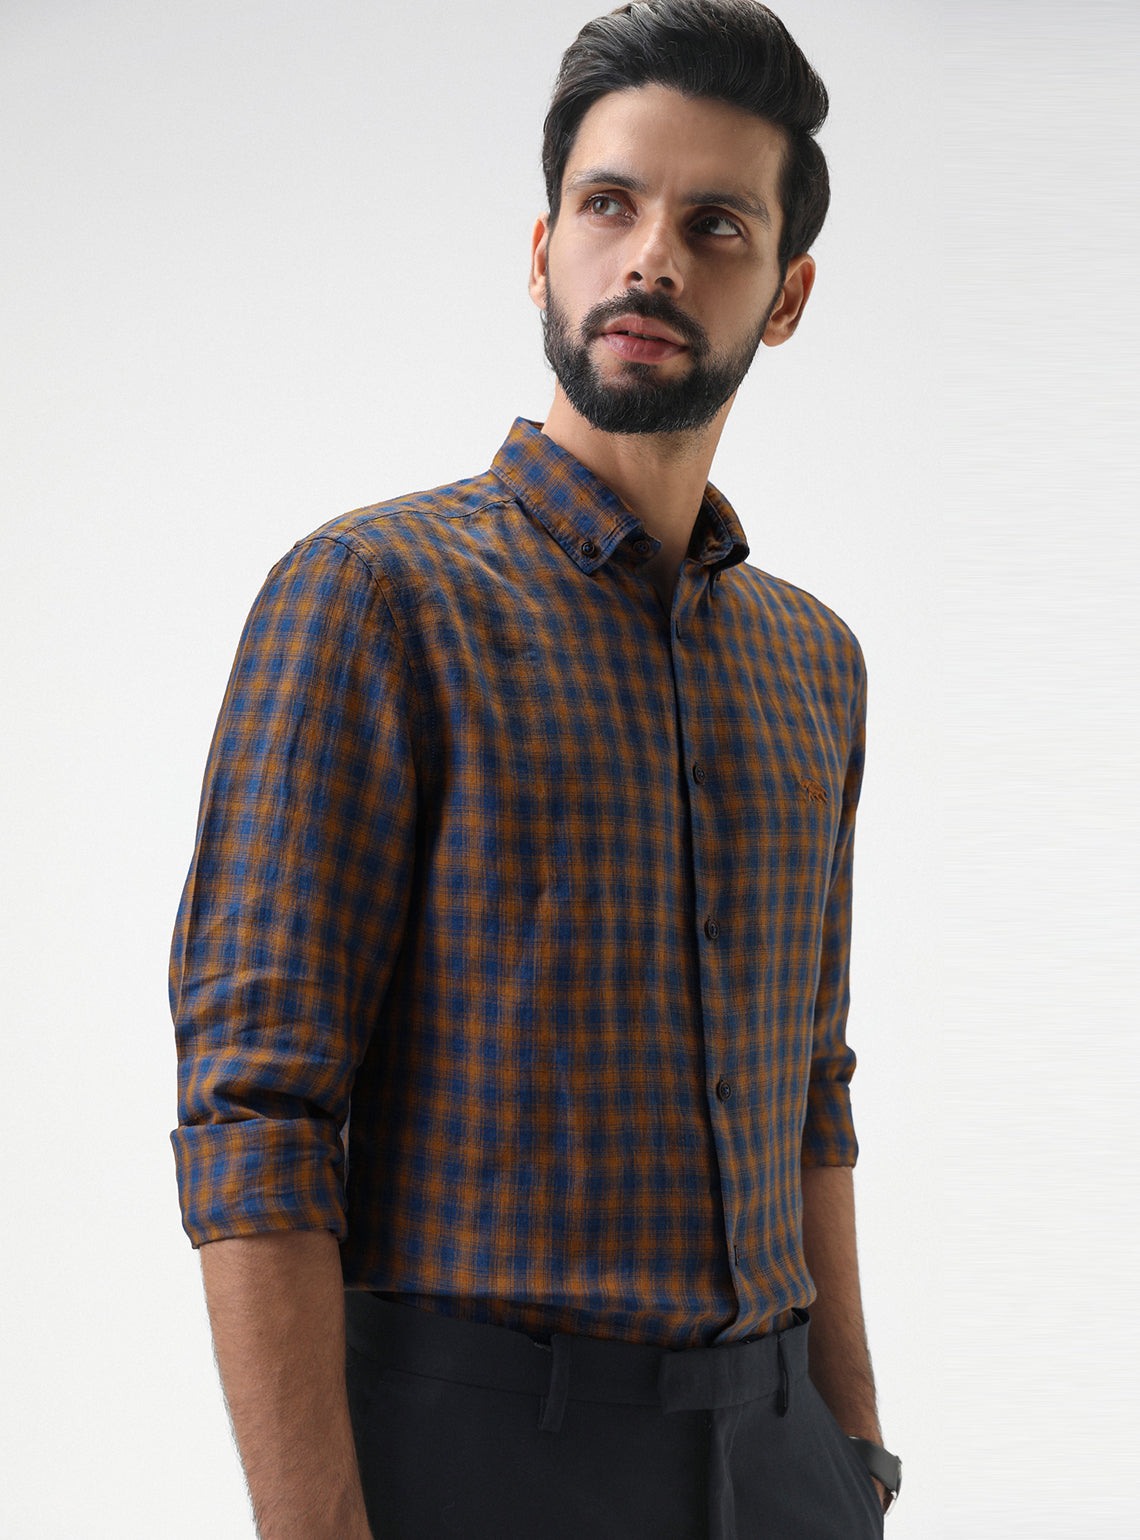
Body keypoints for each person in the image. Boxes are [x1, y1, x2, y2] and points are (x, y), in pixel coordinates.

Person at [168, 2, 903, 1535]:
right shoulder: (374, 601)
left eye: (716, 226)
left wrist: (854, 1455)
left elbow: (812, 1090)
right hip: (478, 1461)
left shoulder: (815, 665)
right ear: (542, 250)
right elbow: (257, 1121)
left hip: (783, 1462)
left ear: (787, 295)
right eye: (610, 206)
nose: (652, 261)